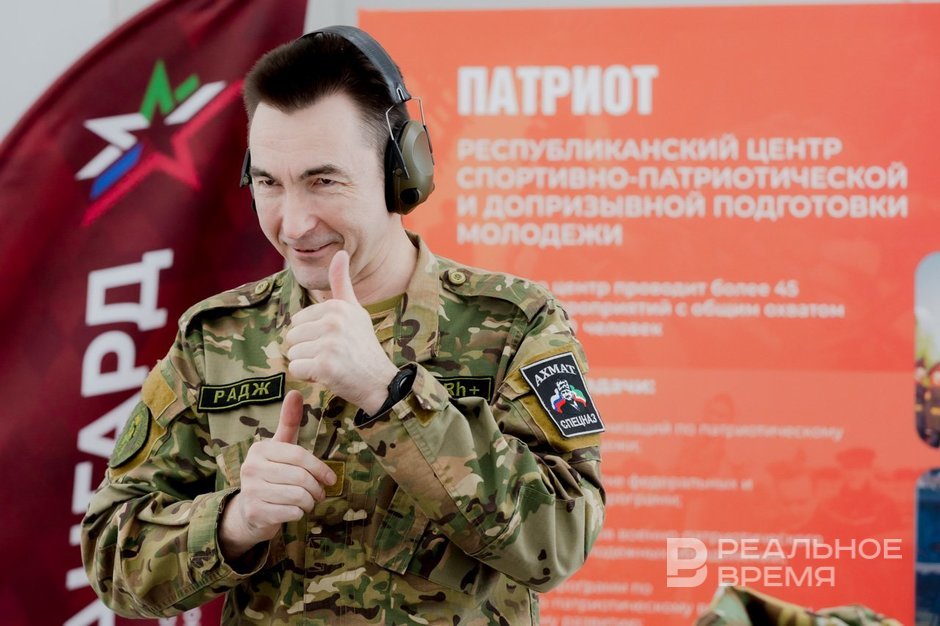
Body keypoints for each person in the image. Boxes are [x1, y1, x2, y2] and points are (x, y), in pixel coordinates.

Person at [81, 25, 605, 625]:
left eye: (323, 181)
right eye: (269, 183)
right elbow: (110, 555)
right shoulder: (216, 338)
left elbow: (559, 540)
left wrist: (391, 395)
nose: (294, 224)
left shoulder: (514, 323)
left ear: (401, 171)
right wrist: (235, 522)